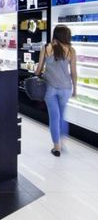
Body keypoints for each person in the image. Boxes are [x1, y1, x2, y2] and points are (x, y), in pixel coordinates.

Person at [36, 25, 77, 157]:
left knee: (54, 117)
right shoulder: (71, 50)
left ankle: (56, 147)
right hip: (66, 88)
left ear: (55, 35)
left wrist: (35, 74)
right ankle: (62, 142)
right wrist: (75, 88)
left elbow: (39, 69)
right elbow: (74, 73)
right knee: (62, 116)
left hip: (50, 88)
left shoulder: (46, 48)